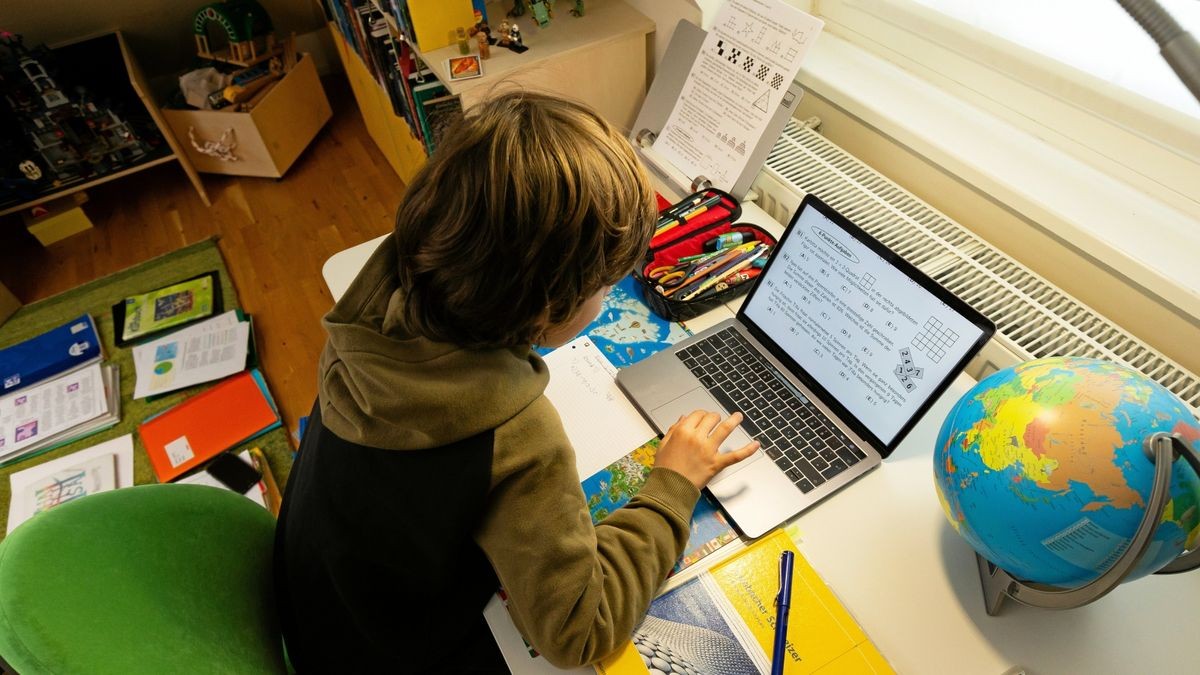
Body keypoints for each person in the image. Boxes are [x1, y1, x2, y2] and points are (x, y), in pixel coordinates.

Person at [273, 91, 759, 672]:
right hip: (397, 654)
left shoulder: (370, 313)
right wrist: (672, 485)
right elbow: (579, 631)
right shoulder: (518, 436)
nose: (611, 299)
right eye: (606, 286)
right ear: (545, 311)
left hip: (321, 617)